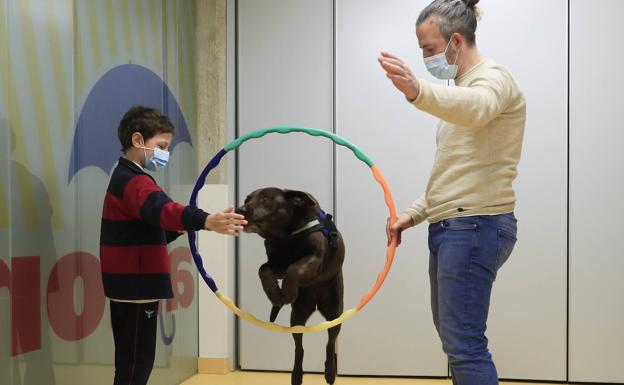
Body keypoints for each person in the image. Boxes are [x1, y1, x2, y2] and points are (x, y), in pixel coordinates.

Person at [378, 1, 526, 384]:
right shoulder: (460, 93)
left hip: (475, 226)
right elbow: (454, 173)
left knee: (464, 345)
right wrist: (412, 214)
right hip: (454, 226)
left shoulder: (492, 80)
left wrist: (417, 91)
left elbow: (478, 108)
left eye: (429, 49)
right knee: (455, 340)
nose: (424, 57)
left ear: (456, 41)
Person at [99, 105, 246, 385]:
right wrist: (204, 220)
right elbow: (162, 208)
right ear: (138, 141)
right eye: (162, 145)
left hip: (131, 286)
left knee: (134, 362)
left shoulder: (127, 178)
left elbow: (145, 230)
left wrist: (179, 227)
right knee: (135, 365)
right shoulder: (133, 181)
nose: (165, 153)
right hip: (136, 287)